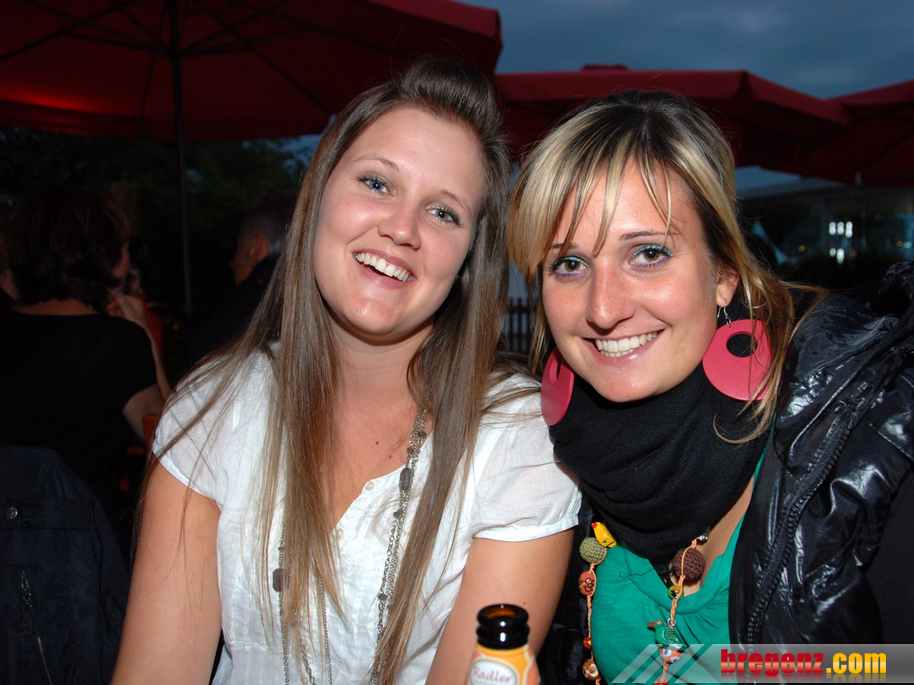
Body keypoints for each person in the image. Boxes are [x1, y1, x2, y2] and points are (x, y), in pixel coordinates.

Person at [506, 90, 914, 682]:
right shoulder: (556, 455)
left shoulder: (883, 442)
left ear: (724, 274)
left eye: (648, 253)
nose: (603, 309)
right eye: (570, 264)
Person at [112, 57, 580, 685]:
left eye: (444, 212)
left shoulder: (517, 444)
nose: (401, 229)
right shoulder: (214, 408)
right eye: (377, 183)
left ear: (470, 257)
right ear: (318, 196)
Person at [0, 189, 164, 528]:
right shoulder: (115, 343)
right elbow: (168, 442)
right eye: (123, 248)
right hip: (79, 545)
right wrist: (146, 339)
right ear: (103, 257)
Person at [186, 190, 297, 367]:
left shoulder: (222, 322)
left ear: (255, 247)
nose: (233, 265)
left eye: (237, 251)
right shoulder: (310, 306)